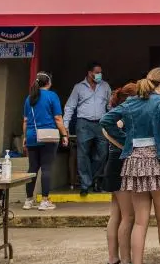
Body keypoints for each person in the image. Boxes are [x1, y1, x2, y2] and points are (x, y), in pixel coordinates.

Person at [100, 67, 160, 264]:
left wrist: (126, 139)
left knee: (139, 220)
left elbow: (106, 121)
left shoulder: (131, 102)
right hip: (158, 161)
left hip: (134, 161)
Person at [104, 82, 138, 264]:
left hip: (112, 163)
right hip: (121, 165)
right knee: (129, 216)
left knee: (115, 215)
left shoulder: (116, 111)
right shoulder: (124, 114)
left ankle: (112, 260)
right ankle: (125, 263)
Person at [21, 72, 69, 211]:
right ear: (48, 83)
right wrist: (64, 134)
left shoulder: (29, 98)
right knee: (46, 168)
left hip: (31, 136)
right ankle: (44, 201)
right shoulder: (52, 96)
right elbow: (58, 118)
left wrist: (25, 136)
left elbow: (25, 121)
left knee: (32, 169)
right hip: (48, 136)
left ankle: (28, 200)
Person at [63, 62, 111, 197]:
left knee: (103, 153)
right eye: (97, 72)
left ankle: (92, 179)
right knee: (82, 154)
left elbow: (110, 105)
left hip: (101, 123)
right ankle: (85, 184)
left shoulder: (105, 86)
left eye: (100, 72)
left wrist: (113, 121)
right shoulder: (78, 88)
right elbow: (69, 107)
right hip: (83, 123)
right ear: (89, 73)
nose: (99, 75)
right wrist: (65, 126)